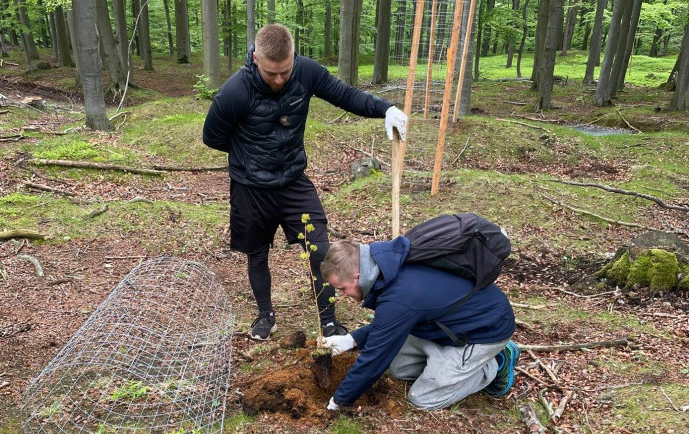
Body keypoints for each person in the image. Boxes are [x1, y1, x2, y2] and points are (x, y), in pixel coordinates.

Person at [203, 24, 408, 341]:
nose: (280, 79)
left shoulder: (306, 73)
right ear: (256, 58)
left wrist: (385, 109)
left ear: (293, 58)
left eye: (285, 71)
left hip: (293, 182)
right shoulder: (235, 91)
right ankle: (265, 316)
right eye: (272, 73)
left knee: (320, 250)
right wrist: (250, 157)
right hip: (250, 189)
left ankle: (328, 321)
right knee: (257, 254)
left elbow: (344, 95)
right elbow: (212, 136)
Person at [320, 238, 518, 410]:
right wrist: (351, 339)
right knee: (399, 369)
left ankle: (495, 364)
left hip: (486, 329)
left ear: (357, 276)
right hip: (450, 324)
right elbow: (391, 323)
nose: (343, 294)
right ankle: (454, 364)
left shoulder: (399, 297)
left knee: (423, 398)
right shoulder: (387, 262)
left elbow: (375, 358)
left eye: (342, 288)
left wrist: (340, 401)